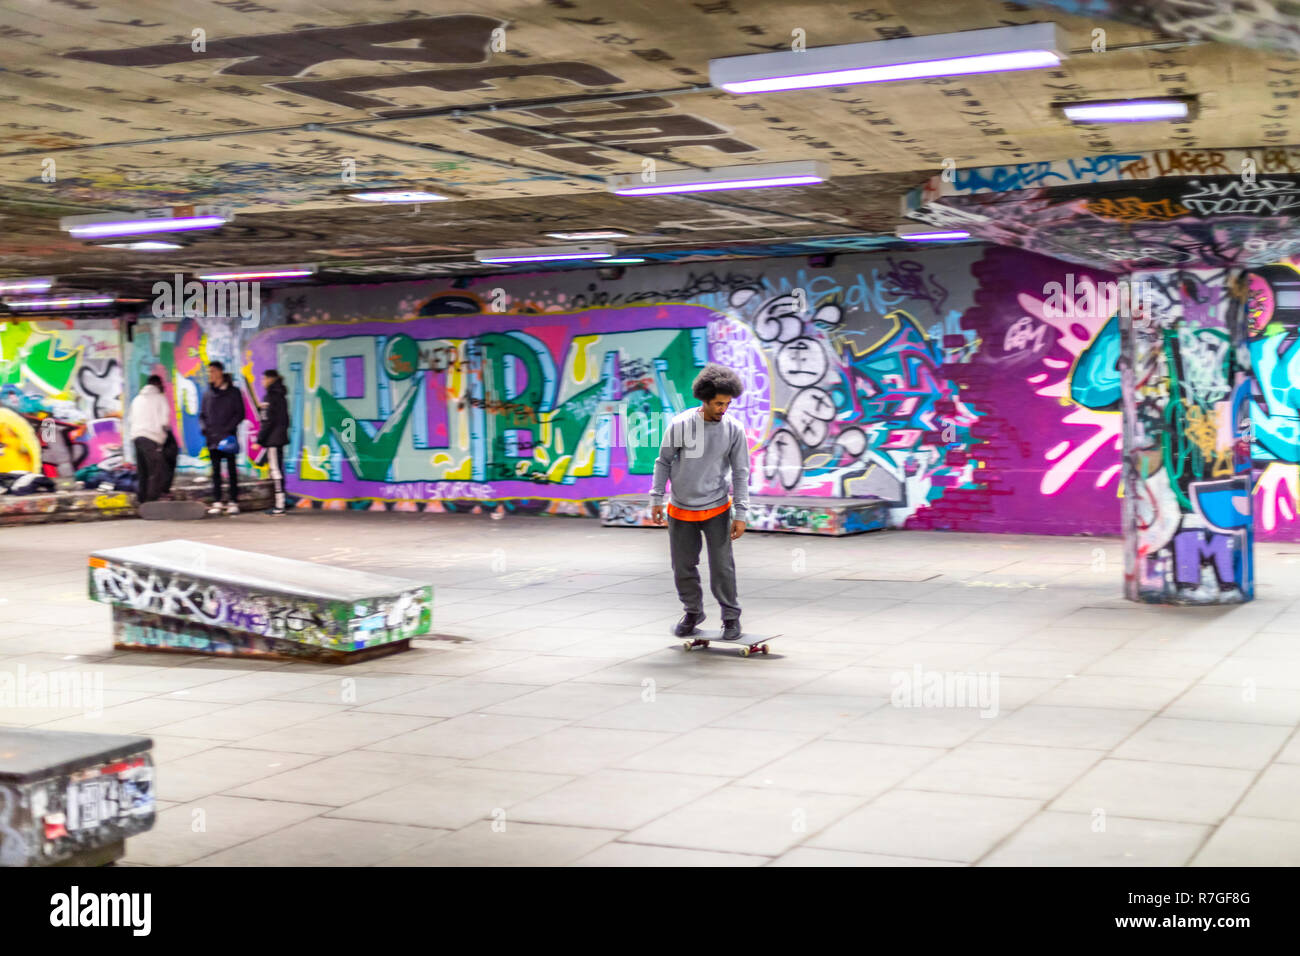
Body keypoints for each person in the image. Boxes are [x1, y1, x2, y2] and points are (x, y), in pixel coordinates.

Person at [648, 364, 751, 641]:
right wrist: (656, 498)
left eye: (727, 403)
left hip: (717, 507)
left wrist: (741, 513)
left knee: (722, 567)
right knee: (683, 566)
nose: (723, 409)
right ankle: (693, 612)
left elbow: (741, 473)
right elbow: (663, 462)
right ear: (704, 399)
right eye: (718, 403)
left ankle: (731, 617)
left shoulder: (734, 429)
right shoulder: (681, 424)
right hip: (680, 508)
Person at [199, 360, 244, 514]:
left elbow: (240, 413)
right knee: (216, 471)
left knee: (231, 470)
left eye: (212, 371)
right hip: (212, 438)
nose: (209, 375)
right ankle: (217, 501)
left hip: (228, 438)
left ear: (219, 372)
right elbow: (202, 415)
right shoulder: (207, 394)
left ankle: (233, 501)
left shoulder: (234, 392)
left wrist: (227, 430)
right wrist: (205, 429)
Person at [127, 374, 173, 505]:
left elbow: (130, 419)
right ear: (158, 385)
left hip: (136, 437)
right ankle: (151, 500)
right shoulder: (160, 398)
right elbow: (165, 421)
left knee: (143, 471)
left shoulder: (137, 399)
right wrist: (163, 436)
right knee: (157, 468)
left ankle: (142, 499)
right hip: (151, 437)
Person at [257, 368, 290, 516]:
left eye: (264, 379)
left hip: (272, 440)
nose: (262, 382)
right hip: (280, 437)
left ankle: (279, 505)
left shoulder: (269, 397)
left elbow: (267, 421)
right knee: (278, 470)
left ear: (271, 379)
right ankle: (280, 502)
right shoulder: (282, 396)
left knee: (275, 471)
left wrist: (260, 440)